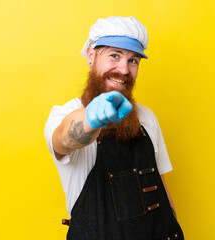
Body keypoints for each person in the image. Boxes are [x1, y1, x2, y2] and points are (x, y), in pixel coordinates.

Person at [44, 16, 184, 240]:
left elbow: (160, 187)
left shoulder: (147, 118)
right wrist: (92, 119)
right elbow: (64, 139)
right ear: (91, 56)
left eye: (133, 60)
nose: (124, 69)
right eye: (114, 55)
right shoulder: (64, 114)